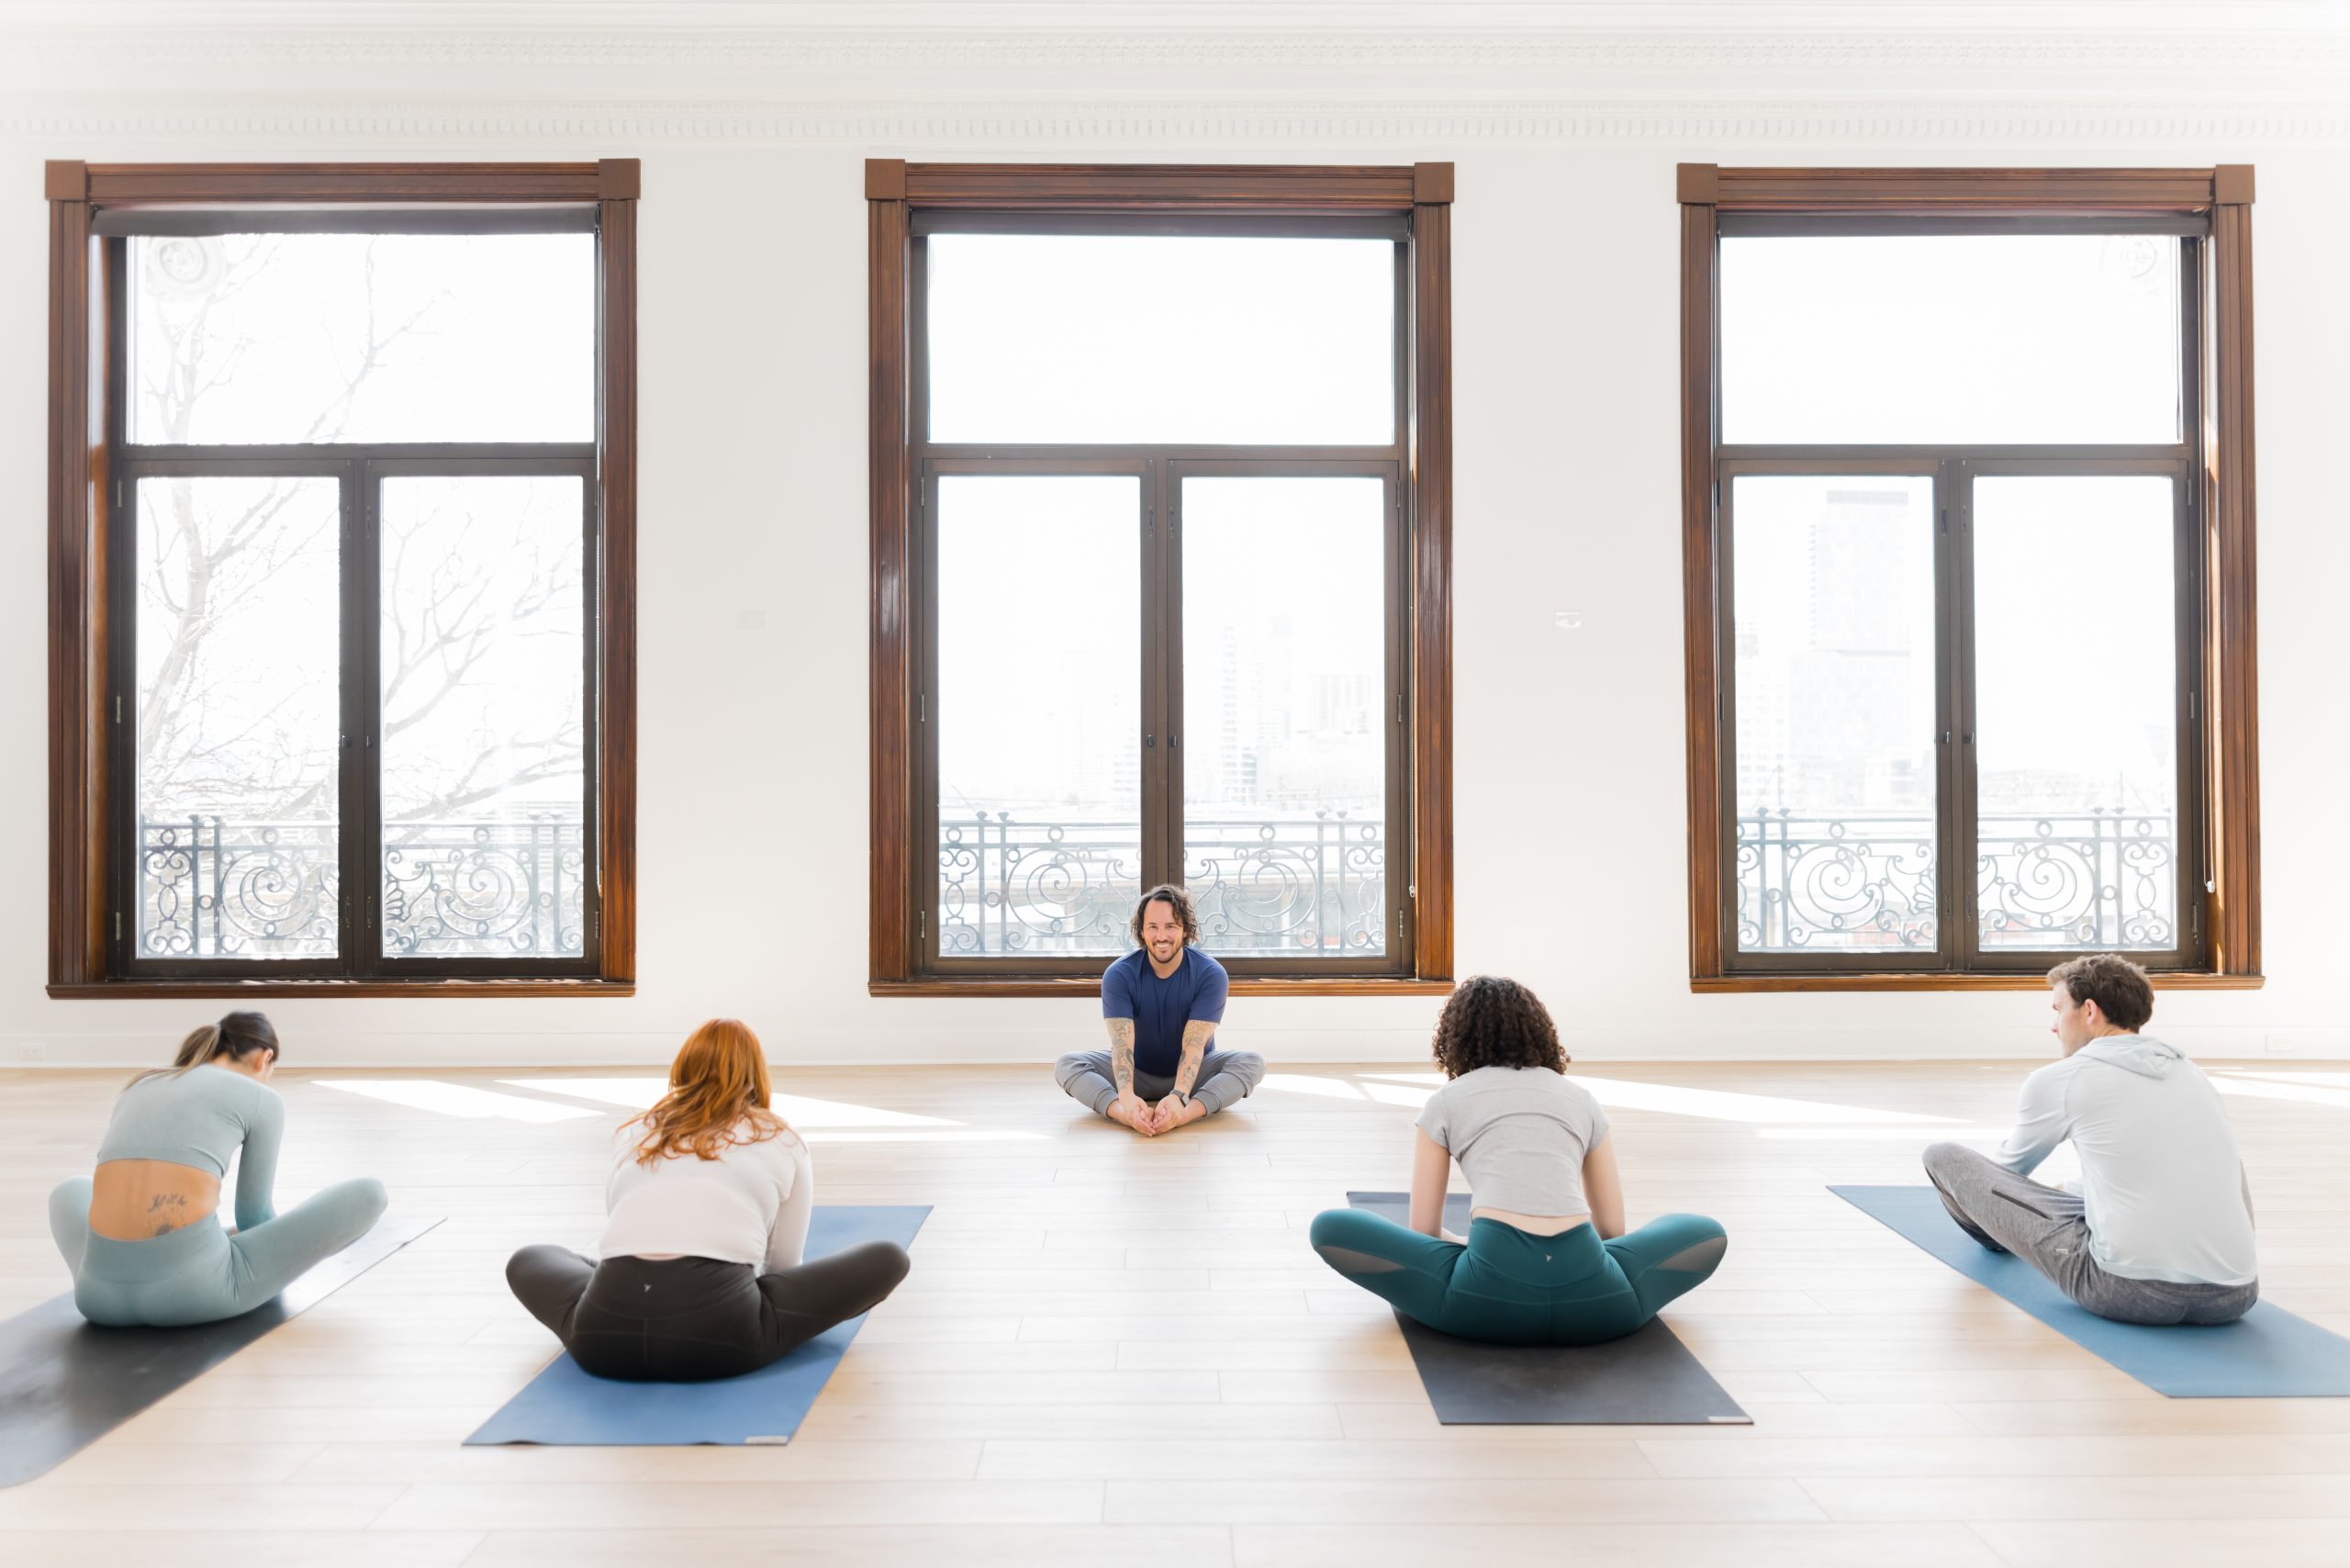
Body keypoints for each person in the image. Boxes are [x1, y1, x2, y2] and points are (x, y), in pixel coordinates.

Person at [1307, 976, 1727, 1345]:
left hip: (1481, 1305)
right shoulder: (1581, 1100)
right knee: (1705, 1232)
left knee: (1331, 1226)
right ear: (1540, 1033)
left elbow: (1425, 1231)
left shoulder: (1446, 1101)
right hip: (1601, 1308)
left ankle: (1483, 1274)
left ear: (1454, 1041)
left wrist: (1476, 1249)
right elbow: (1613, 1229)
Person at [505, 1019, 911, 1382]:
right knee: (888, 1257)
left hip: (601, 1340)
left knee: (530, 1258)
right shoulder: (779, 1135)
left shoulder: (640, 1130)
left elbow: (620, 1229)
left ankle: (627, 1298)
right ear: (755, 1076)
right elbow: (784, 1264)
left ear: (681, 1069)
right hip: (719, 1344)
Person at [1922, 952, 2257, 1326]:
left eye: (2058, 1009)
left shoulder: (2063, 1078)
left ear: (2090, 1011)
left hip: (2125, 1290)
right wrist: (2068, 1188)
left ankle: (1997, 1240)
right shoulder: (2193, 1075)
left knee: (1943, 1156)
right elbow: (2150, 1163)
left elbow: (2005, 1176)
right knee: (2217, 1158)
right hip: (2235, 1294)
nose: (2054, 1026)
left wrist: (2013, 1214)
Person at [47, 1012, 388, 1327]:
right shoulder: (260, 1099)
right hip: (195, 1293)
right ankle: (206, 1243)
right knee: (370, 1194)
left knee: (70, 1189)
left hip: (97, 1298)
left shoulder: (141, 1084)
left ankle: (182, 1246)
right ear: (264, 1058)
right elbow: (254, 1217)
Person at [1054, 884, 1265, 1136]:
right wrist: (1126, 1099)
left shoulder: (1210, 973)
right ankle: (1123, 1114)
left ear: (1185, 929)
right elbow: (1122, 1047)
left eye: (1170, 926)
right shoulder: (1119, 974)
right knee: (1067, 1064)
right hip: (1137, 1072)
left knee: (1252, 1062)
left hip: (1193, 1074)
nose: (1161, 935)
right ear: (1141, 931)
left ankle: (1184, 1115)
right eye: (1152, 926)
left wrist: (1178, 1097)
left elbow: (1194, 1046)